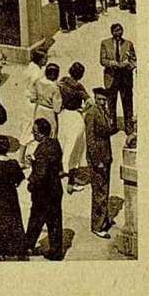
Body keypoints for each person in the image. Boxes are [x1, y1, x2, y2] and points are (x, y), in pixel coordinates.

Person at [25, 118, 64, 260]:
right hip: (55, 189)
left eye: (35, 132)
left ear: (41, 134)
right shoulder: (55, 143)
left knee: (35, 219)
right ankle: (56, 251)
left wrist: (30, 183)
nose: (33, 134)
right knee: (54, 221)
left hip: (43, 192)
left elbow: (40, 174)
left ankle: (27, 246)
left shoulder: (42, 150)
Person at [84, 87, 114, 238]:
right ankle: (97, 225)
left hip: (106, 154)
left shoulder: (104, 111)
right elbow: (90, 140)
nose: (102, 102)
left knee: (104, 189)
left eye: (104, 99)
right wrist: (97, 161)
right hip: (98, 157)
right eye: (100, 99)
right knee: (99, 192)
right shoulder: (91, 113)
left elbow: (109, 130)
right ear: (95, 98)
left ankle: (103, 219)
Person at [57, 62, 89, 193]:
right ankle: (71, 183)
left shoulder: (63, 81)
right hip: (75, 117)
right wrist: (83, 109)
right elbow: (90, 101)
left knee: (63, 144)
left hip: (63, 116)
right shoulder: (79, 87)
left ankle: (60, 170)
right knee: (75, 149)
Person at [100, 23, 136, 134]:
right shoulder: (105, 43)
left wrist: (128, 63)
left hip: (125, 79)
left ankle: (128, 126)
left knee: (128, 103)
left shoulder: (128, 44)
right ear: (112, 32)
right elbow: (102, 60)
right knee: (111, 103)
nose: (118, 33)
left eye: (120, 30)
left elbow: (134, 59)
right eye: (116, 30)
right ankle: (112, 126)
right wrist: (112, 63)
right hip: (111, 78)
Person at [17, 49, 48, 165]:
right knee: (29, 128)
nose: (47, 60)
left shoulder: (31, 67)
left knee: (27, 127)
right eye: (45, 58)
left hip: (27, 101)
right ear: (40, 60)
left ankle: (25, 156)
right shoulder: (37, 74)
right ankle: (21, 159)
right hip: (32, 103)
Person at [31, 62, 63, 138]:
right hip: (49, 112)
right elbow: (57, 108)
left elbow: (32, 98)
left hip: (39, 109)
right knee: (50, 133)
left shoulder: (38, 82)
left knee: (38, 130)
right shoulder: (55, 88)